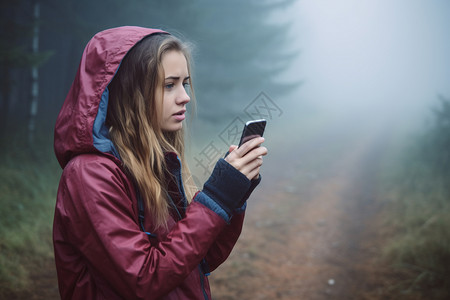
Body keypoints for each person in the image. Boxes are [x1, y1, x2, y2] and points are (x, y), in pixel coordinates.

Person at [53, 26, 267, 300]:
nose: (185, 97)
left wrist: (232, 196)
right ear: (131, 93)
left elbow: (197, 261)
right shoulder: (89, 176)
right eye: (169, 85)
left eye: (185, 83)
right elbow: (144, 280)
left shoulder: (155, 162)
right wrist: (217, 197)